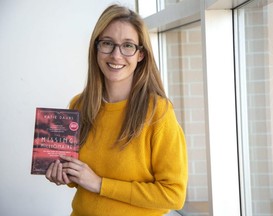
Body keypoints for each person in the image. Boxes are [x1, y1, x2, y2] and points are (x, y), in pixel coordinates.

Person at [46, 4, 188, 216]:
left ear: (140, 55)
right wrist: (64, 175)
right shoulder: (79, 105)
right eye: (107, 43)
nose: (116, 55)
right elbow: (80, 179)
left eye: (128, 46)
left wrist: (100, 184)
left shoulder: (158, 112)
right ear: (96, 48)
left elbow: (173, 195)